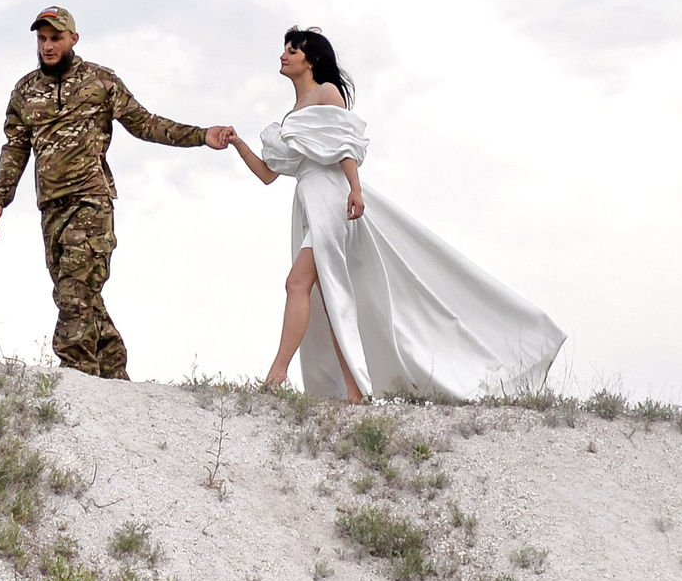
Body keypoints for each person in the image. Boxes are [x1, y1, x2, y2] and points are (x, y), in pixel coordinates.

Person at [229, 26, 566, 402]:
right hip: (309, 201)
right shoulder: (292, 113)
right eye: (285, 49)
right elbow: (268, 173)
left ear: (312, 60)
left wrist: (355, 188)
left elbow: (345, 143)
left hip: (332, 198)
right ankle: (354, 392)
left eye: (293, 49)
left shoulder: (327, 93)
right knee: (329, 299)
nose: (284, 54)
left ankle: (276, 377)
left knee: (298, 285)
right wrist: (238, 144)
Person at [0, 7, 237, 379]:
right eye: (42, 39)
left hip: (91, 202)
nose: (48, 46)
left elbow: (145, 123)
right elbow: (16, 147)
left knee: (74, 293)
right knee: (80, 296)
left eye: (55, 38)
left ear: (73, 38)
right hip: (50, 206)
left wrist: (202, 135)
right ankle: (113, 376)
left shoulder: (100, 82)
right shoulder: (25, 91)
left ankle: (76, 379)